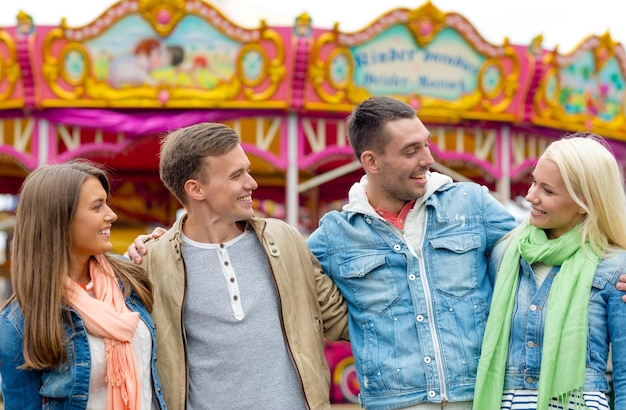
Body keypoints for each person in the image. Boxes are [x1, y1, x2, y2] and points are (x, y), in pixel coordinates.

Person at [304, 95, 519, 409]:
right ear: (371, 161)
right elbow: (287, 286)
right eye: (411, 150)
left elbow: (538, 253)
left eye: (426, 144)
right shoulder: (335, 235)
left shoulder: (472, 204)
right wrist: (351, 326)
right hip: (393, 402)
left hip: (479, 395)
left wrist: (613, 273)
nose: (427, 159)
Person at [127, 122, 349, 410]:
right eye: (236, 175)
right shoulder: (149, 262)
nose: (251, 183)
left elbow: (343, 319)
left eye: (248, 170)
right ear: (195, 189)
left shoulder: (284, 239)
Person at [474, 135, 626, 409]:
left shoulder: (616, 268)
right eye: (534, 181)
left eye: (548, 190)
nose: (531, 196)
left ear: (584, 203)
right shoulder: (504, 253)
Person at [0, 161, 166, 409]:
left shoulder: (130, 276)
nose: (112, 215)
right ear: (59, 219)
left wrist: (164, 251)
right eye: (98, 207)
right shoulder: (19, 321)